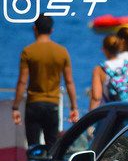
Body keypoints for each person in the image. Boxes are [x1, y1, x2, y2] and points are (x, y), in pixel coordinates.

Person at [12, 14, 79, 150]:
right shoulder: (62, 52)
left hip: (33, 105)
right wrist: (73, 107)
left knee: (33, 149)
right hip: (52, 105)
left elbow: (22, 82)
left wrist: (15, 107)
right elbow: (69, 82)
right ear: (51, 30)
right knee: (52, 150)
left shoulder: (28, 52)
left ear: (34, 29)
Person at [89, 35, 128, 110]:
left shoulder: (99, 70)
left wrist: (90, 119)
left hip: (110, 114)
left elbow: (96, 98)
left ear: (104, 49)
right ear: (119, 48)